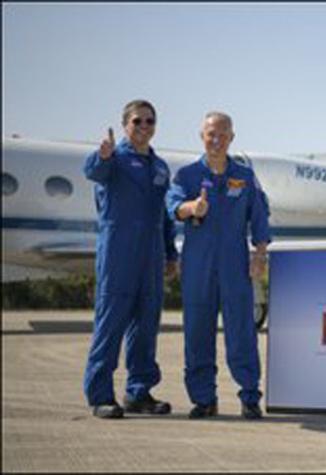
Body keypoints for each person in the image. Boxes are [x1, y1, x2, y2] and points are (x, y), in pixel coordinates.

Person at [166, 111, 271, 420]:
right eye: (211, 134)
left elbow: (259, 216)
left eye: (223, 134)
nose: (216, 140)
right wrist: (192, 207)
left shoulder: (245, 176)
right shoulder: (186, 175)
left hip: (234, 265)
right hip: (198, 266)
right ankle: (204, 399)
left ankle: (249, 397)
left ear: (231, 138)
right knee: (197, 332)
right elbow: (173, 207)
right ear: (202, 136)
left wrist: (260, 254)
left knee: (241, 331)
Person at [83, 100, 178, 419]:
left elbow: (165, 215)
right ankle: (100, 395)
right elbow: (93, 171)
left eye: (150, 121)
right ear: (126, 125)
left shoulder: (160, 167)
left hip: (151, 254)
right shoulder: (113, 160)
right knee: (110, 324)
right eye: (137, 121)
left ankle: (139, 392)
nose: (144, 127)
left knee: (146, 325)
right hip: (118, 253)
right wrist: (103, 155)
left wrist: (171, 254)